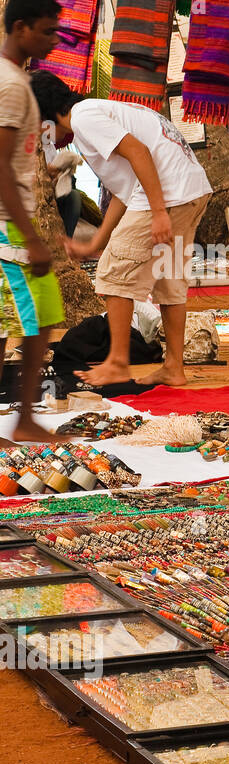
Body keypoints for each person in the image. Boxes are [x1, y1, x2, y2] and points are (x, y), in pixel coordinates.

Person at [32, 70, 213, 388]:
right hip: (190, 188)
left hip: (169, 193)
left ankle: (116, 362)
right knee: (169, 279)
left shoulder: (85, 117)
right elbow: (124, 190)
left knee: (113, 272)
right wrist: (94, 243)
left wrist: (158, 211)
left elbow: (139, 153)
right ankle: (173, 367)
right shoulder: (95, 115)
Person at [0, 0, 62, 443]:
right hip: (7, 222)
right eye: (46, 31)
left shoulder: (16, 79)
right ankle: (22, 418)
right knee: (31, 319)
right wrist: (29, 235)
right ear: (20, 28)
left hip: (12, 219)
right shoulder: (10, 84)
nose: (53, 41)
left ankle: (24, 417)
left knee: (37, 317)